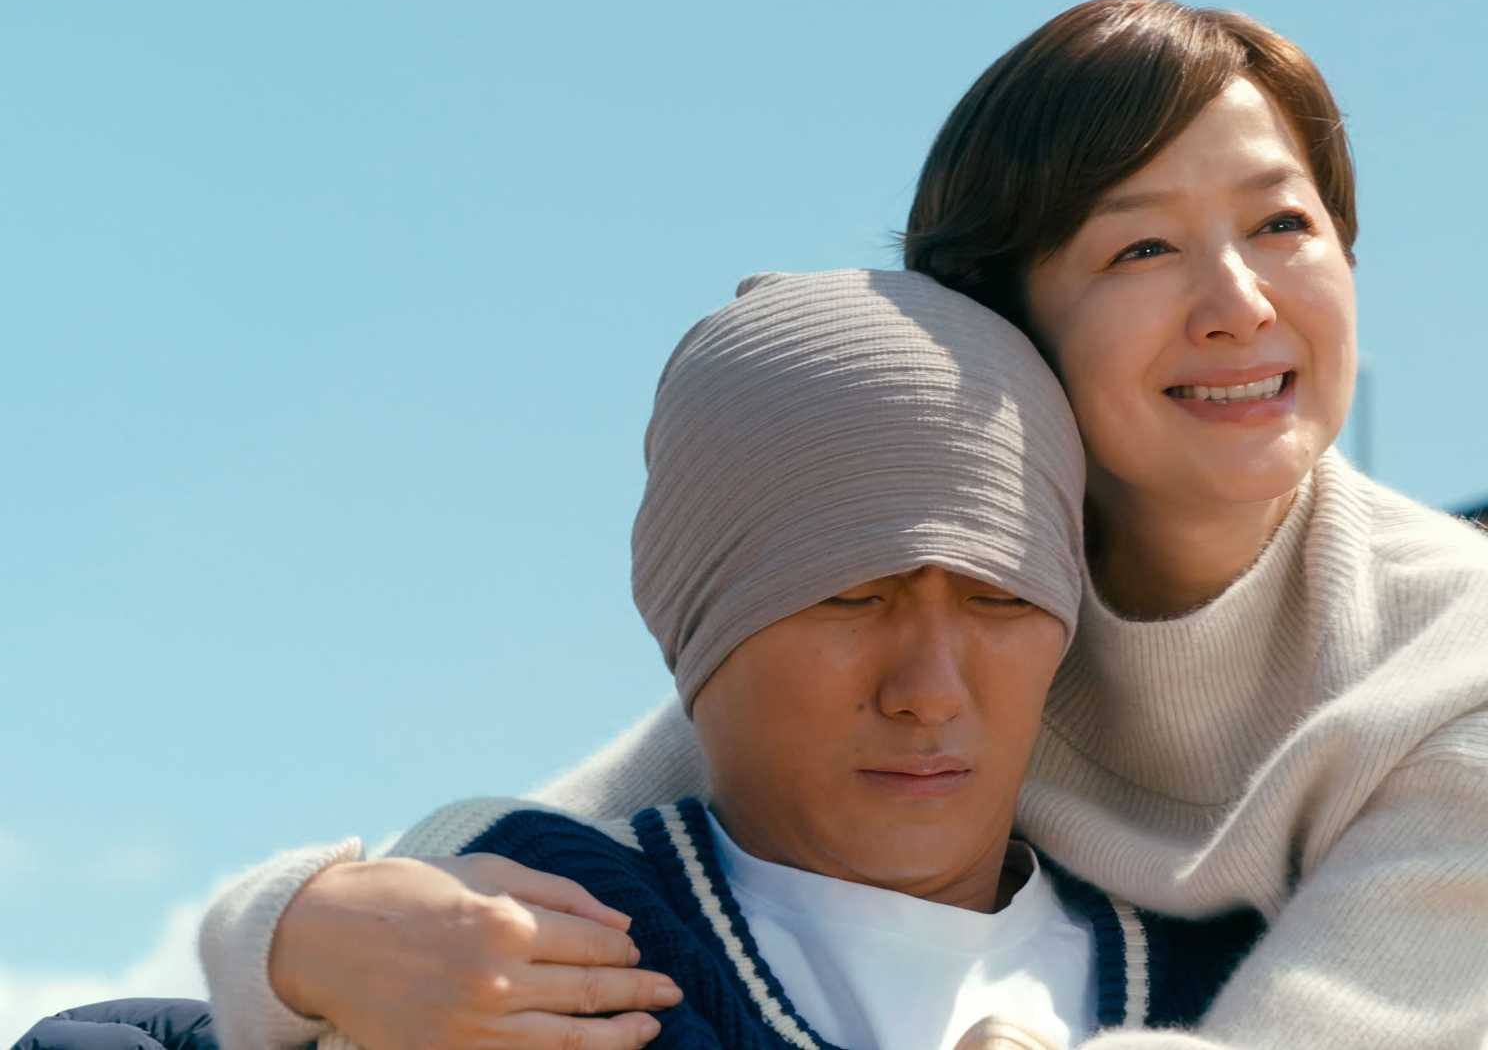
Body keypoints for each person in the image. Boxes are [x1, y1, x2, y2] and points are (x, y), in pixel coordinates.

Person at [200, 0, 1488, 1050]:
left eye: (1285, 224)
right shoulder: (978, 597)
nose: (1240, 302)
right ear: (997, 326)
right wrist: (299, 929)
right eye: (1142, 244)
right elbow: (558, 833)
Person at [299, 267, 1262, 1050]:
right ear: (701, 615)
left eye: (1000, 598)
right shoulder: (537, 915)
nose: (929, 691)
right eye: (851, 596)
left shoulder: (1238, 966)